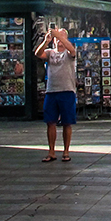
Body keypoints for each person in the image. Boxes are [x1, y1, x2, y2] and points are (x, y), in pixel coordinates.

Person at [35, 23, 77, 162]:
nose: (59, 40)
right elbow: (38, 54)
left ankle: (66, 151)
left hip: (67, 90)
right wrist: (46, 40)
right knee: (50, 122)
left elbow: (72, 50)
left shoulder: (69, 53)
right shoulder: (50, 53)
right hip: (51, 90)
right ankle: (51, 151)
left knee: (67, 122)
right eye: (57, 38)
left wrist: (61, 36)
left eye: (62, 37)